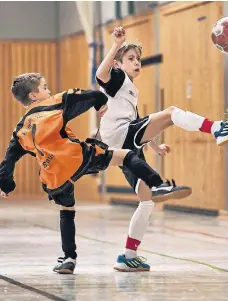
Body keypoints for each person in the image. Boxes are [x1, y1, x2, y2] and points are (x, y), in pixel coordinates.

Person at [95, 26, 228, 272]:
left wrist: (155, 146)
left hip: (122, 146)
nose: (137, 63)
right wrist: (116, 45)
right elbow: (100, 73)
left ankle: (128, 255)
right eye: (131, 59)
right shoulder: (117, 79)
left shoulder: (128, 91)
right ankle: (217, 128)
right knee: (171, 113)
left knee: (146, 201)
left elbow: (138, 125)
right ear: (119, 64)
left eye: (138, 59)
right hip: (119, 138)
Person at [0, 73, 191, 274]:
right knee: (125, 155)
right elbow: (89, 96)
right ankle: (157, 184)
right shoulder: (54, 103)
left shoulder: (20, 129)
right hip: (76, 156)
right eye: (44, 87)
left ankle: (69, 258)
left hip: (54, 174)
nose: (48, 90)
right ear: (34, 95)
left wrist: (5, 184)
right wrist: (100, 104)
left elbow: (9, 159)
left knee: (67, 210)